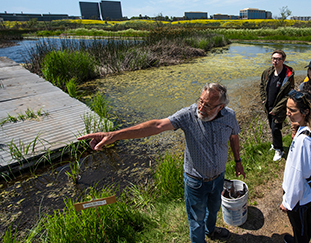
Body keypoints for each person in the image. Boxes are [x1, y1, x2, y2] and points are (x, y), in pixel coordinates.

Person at [77, 83, 246, 243]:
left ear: (220, 107)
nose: (201, 108)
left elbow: (234, 136)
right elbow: (156, 125)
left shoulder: (229, 116)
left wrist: (238, 161)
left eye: (208, 105)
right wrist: (115, 135)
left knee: (214, 209)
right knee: (196, 220)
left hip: (218, 178)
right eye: (200, 101)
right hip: (196, 182)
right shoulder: (188, 115)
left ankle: (211, 231)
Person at [280, 90, 311, 243]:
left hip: (299, 196)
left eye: (292, 110)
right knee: (305, 221)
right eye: (287, 108)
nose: (288, 113)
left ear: (305, 111)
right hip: (307, 192)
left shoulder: (303, 142)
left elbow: (298, 174)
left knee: (299, 228)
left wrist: (288, 201)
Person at [260, 50, 295, 161]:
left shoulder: (288, 75)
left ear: (283, 60)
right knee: (271, 126)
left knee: (276, 128)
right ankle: (275, 144)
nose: (275, 61)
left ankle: (279, 150)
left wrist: (276, 109)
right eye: (273, 58)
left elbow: (288, 94)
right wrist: (263, 99)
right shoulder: (267, 72)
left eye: (278, 59)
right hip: (268, 105)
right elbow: (262, 86)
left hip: (279, 108)